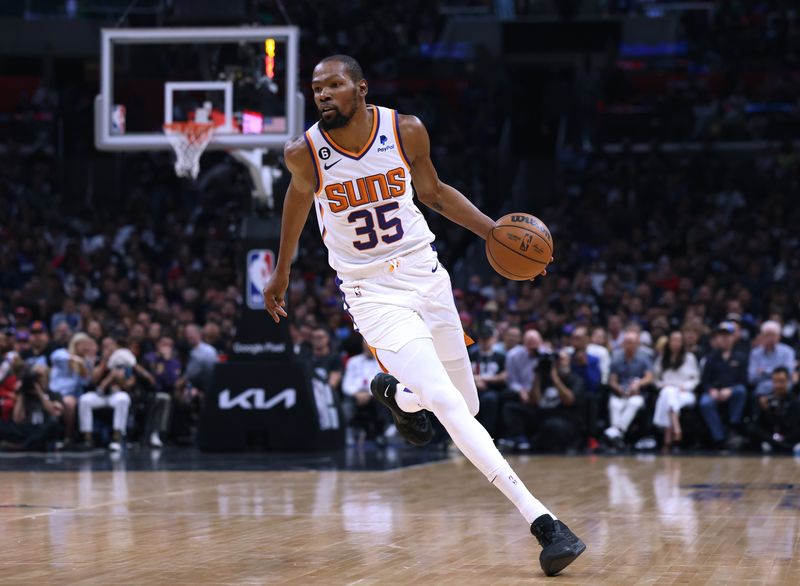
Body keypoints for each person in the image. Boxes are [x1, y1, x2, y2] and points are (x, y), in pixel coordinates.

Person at [262, 54, 584, 576]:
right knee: (448, 405)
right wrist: (283, 270)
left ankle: (398, 395)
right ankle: (545, 524)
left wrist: (494, 234)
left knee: (467, 404)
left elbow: (432, 192)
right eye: (316, 88)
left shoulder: (404, 129)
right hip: (371, 293)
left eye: (334, 85)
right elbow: (298, 202)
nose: (322, 94)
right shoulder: (304, 154)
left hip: (426, 277)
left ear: (360, 88)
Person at [698, 322, 748, 448]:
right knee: (705, 403)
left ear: (733, 337)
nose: (725, 338)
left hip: (733, 390)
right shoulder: (710, 358)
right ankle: (719, 437)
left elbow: (743, 380)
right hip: (714, 391)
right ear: (718, 338)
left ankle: (732, 426)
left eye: (728, 335)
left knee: (741, 391)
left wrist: (730, 390)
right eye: (722, 335)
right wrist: (711, 390)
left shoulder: (741, 357)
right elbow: (704, 381)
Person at [651, 330, 700, 450]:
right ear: (669, 342)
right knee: (668, 392)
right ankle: (676, 430)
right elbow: (655, 379)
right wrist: (660, 385)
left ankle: (667, 438)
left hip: (685, 393)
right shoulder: (662, 358)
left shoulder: (689, 358)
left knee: (668, 395)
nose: (676, 343)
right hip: (668, 391)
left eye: (679, 340)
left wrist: (686, 386)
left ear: (682, 343)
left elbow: (696, 379)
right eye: (673, 340)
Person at [605, 330, 653, 446]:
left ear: (637, 343)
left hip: (637, 393)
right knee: (614, 404)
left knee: (634, 403)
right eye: (626, 341)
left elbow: (649, 377)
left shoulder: (644, 357)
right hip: (620, 393)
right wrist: (619, 389)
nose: (628, 344)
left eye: (631, 342)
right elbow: (612, 380)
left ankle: (617, 432)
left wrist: (638, 384)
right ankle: (618, 435)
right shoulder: (617, 357)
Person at [747, 367, 800, 453]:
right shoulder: (766, 398)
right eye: (775, 382)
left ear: (788, 381)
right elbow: (761, 424)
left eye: (781, 381)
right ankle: (785, 447)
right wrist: (766, 410)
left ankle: (777, 445)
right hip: (772, 436)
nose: (778, 385)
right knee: (751, 427)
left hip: (788, 436)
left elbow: (790, 426)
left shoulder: (794, 401)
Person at [748, 320, 796, 397]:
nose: (770, 338)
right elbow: (751, 378)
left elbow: (788, 372)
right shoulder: (755, 353)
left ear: (778, 337)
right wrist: (777, 372)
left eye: (773, 335)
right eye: (767, 335)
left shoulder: (788, 351)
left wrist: (765, 371)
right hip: (761, 392)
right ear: (761, 336)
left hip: (783, 390)